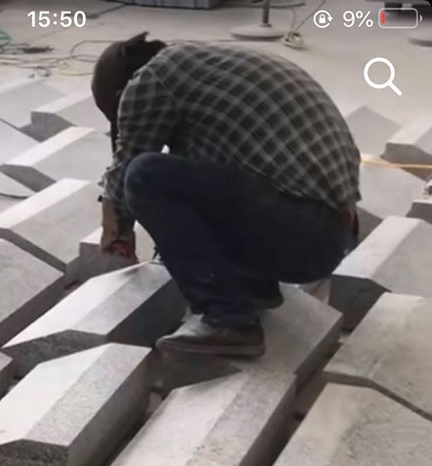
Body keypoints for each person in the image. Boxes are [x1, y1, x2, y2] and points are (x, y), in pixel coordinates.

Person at [91, 35, 360, 358]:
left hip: (303, 233)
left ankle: (228, 319)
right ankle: (251, 285)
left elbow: (127, 168)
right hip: (329, 235)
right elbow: (207, 193)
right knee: (183, 180)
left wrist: (114, 224)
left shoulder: (150, 80)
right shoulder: (202, 69)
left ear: (122, 94)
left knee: (144, 175)